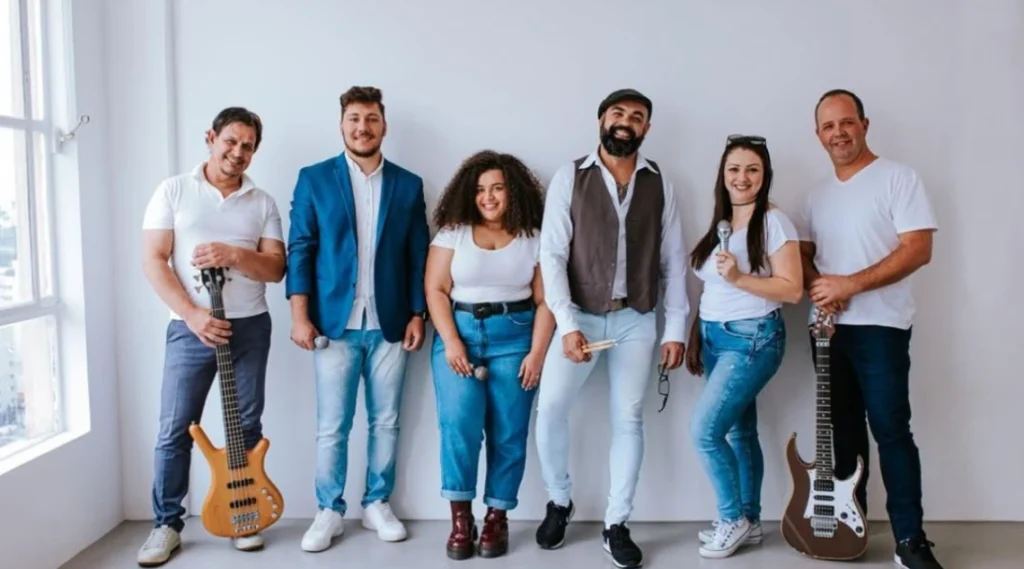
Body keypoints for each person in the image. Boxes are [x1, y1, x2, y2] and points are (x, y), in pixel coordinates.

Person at [534, 88, 689, 569]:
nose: (626, 122)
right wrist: (565, 324)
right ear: (601, 120)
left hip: (636, 318)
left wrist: (675, 329)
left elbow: (673, 259)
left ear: (646, 128)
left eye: (637, 117)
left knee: (629, 418)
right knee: (552, 408)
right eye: (618, 113)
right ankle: (560, 501)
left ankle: (616, 523)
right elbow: (552, 256)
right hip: (578, 313)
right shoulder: (570, 176)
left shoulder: (660, 181)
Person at [795, 89, 944, 569]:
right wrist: (823, 289)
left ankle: (909, 541)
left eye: (846, 122)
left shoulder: (899, 178)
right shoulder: (814, 195)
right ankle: (847, 528)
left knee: (891, 430)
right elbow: (803, 256)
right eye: (828, 127)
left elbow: (917, 248)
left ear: (864, 123)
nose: (838, 133)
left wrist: (849, 285)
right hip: (827, 332)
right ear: (818, 135)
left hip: (881, 328)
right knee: (842, 434)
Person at [137, 107, 286, 566]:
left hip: (250, 327)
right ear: (211, 138)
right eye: (231, 142)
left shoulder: (262, 202)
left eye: (248, 146)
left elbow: (277, 269)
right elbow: (154, 260)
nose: (238, 152)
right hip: (190, 329)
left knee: (245, 427)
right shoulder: (174, 190)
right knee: (174, 428)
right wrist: (192, 315)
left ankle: (244, 516)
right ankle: (166, 525)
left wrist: (235, 255)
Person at [285, 86, 430, 552]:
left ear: (383, 125)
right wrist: (299, 315)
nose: (362, 127)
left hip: (390, 322)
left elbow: (416, 255)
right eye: (353, 118)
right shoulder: (314, 178)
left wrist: (417, 313)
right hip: (332, 323)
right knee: (333, 425)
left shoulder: (408, 184)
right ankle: (329, 509)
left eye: (370, 118)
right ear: (341, 124)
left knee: (386, 420)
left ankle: (376, 503)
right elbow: (301, 249)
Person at [424, 150, 556, 560]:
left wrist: (537, 353)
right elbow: (436, 290)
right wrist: (452, 342)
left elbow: (545, 301)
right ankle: (461, 519)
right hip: (459, 334)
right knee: (459, 428)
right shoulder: (453, 232)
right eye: (480, 189)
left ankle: (496, 517)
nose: (488, 196)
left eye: (497, 187)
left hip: (515, 339)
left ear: (512, 191)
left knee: (509, 433)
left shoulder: (534, 236)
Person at [682, 135, 803, 558]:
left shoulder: (773, 222)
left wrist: (739, 279)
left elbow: (792, 289)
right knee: (739, 430)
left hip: (753, 339)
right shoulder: (722, 223)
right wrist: (697, 333)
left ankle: (731, 518)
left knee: (704, 432)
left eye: (752, 169)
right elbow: (712, 287)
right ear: (723, 175)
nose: (742, 177)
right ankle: (749, 521)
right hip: (716, 338)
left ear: (765, 175)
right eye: (734, 169)